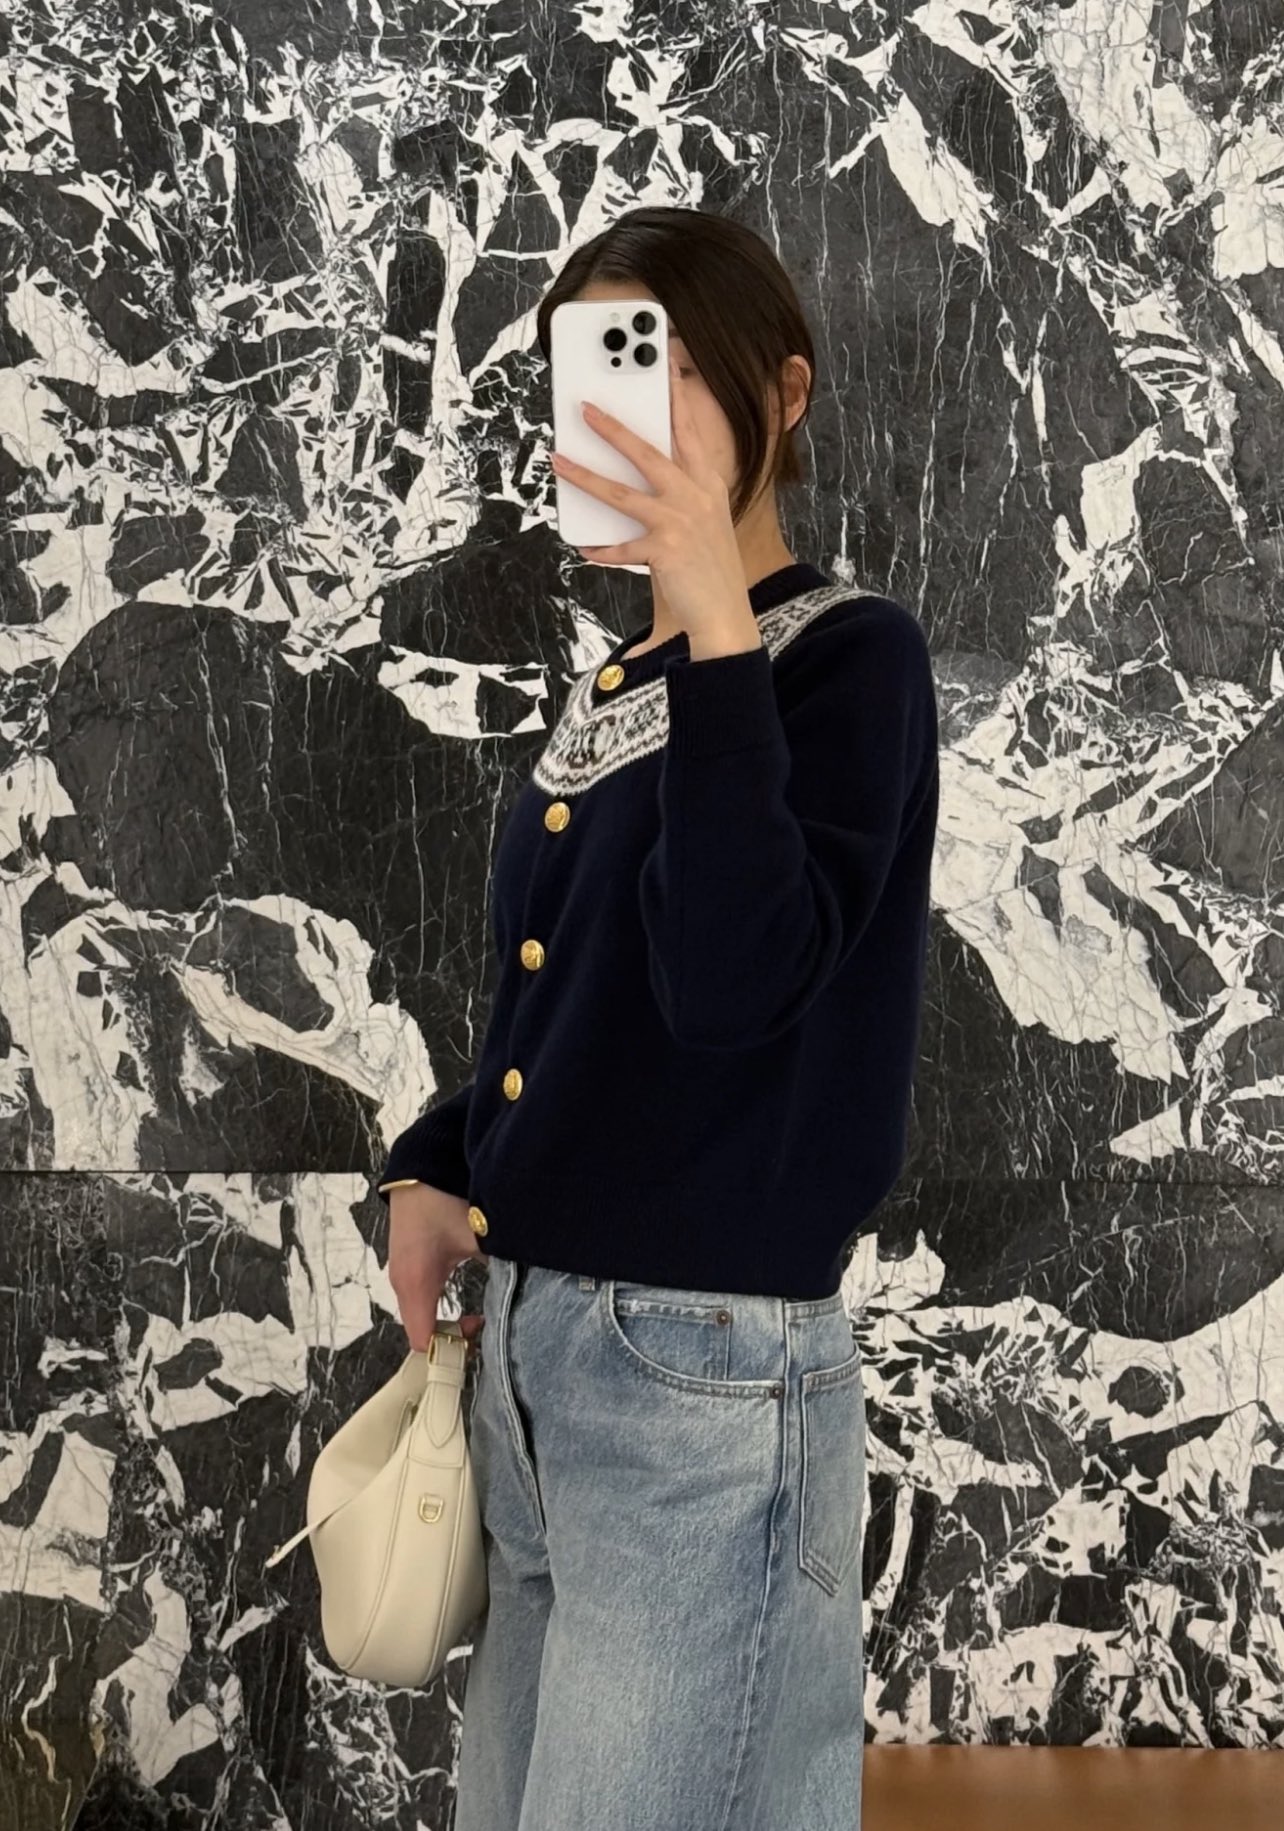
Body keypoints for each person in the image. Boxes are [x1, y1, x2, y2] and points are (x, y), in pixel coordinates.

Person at [373, 205, 939, 1831]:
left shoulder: (847, 662)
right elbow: (567, 995)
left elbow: (734, 980)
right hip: (541, 1357)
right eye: (613, 367)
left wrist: (710, 617)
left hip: (701, 1373)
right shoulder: (622, 684)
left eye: (681, 366)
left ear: (786, 393)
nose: (647, 405)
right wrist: (441, 1159)